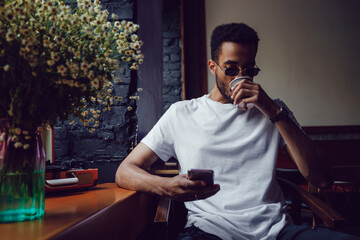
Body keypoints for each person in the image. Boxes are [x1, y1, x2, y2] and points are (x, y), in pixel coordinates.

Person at [115, 23, 359, 240]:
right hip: (210, 230)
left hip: (277, 230)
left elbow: (323, 178)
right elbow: (125, 172)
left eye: (249, 69)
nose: (241, 77)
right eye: (231, 69)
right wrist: (165, 187)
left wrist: (273, 111)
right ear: (213, 67)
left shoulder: (274, 110)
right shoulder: (181, 113)